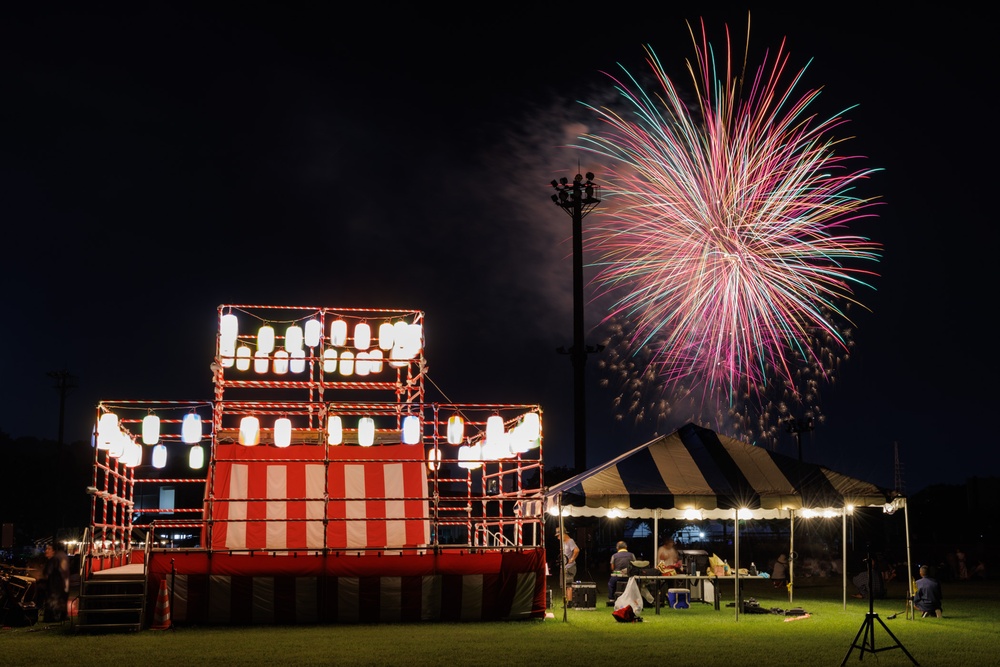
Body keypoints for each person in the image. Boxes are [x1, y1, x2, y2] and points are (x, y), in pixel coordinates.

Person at [42, 542, 71, 623]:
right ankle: (63, 616)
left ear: (54, 550)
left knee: (52, 601)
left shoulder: (54, 558)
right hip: (65, 583)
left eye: (49, 549)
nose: (46, 551)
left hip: (55, 584)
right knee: (62, 601)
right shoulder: (64, 556)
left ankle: (51, 618)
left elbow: (48, 573)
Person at [608, 540, 635, 605]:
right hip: (628, 576)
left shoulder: (614, 556)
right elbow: (634, 565)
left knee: (610, 584)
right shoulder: (631, 555)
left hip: (617, 575)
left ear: (617, 548)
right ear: (626, 547)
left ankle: (611, 598)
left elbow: (612, 568)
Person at [561, 531, 580, 604]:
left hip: (569, 567)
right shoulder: (564, 542)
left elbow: (576, 550)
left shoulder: (570, 541)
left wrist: (572, 559)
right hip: (564, 566)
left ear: (564, 534)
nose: (558, 538)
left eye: (559, 536)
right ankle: (566, 601)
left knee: (568, 584)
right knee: (564, 585)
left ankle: (570, 601)